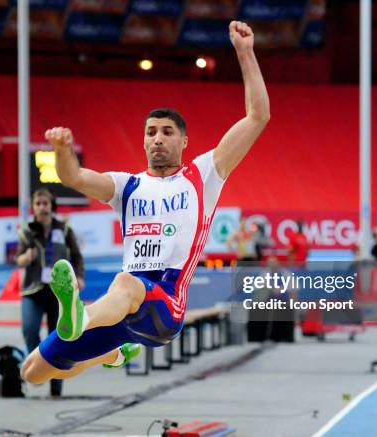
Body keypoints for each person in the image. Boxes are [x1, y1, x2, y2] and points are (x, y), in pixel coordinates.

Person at [21, 20, 270, 383]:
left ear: (184, 142)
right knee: (33, 372)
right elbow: (72, 177)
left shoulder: (203, 175)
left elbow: (258, 116)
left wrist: (245, 53)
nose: (158, 139)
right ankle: (117, 351)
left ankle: (79, 317)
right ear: (143, 141)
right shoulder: (127, 186)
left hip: (165, 306)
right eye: (151, 132)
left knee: (124, 282)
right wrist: (61, 150)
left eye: (167, 132)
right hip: (121, 312)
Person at [15, 188, 84, 396]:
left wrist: (79, 277)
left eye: (46, 204)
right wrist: (24, 258)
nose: (42, 207)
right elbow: (17, 258)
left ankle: (56, 385)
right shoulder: (26, 231)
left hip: (59, 292)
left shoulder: (63, 230)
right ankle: (39, 365)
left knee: (60, 337)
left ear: (51, 206)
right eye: (38, 204)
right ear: (34, 208)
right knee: (29, 329)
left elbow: (77, 257)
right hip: (33, 289)